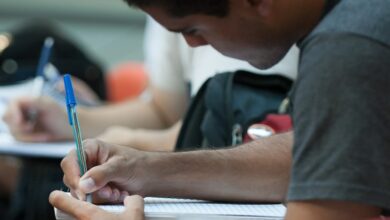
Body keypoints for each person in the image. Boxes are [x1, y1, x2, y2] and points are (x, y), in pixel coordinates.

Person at [49, 0, 390, 219]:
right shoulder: (358, 17)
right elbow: (316, 156)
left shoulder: (348, 48)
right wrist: (143, 168)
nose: (193, 45)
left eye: (193, 29)